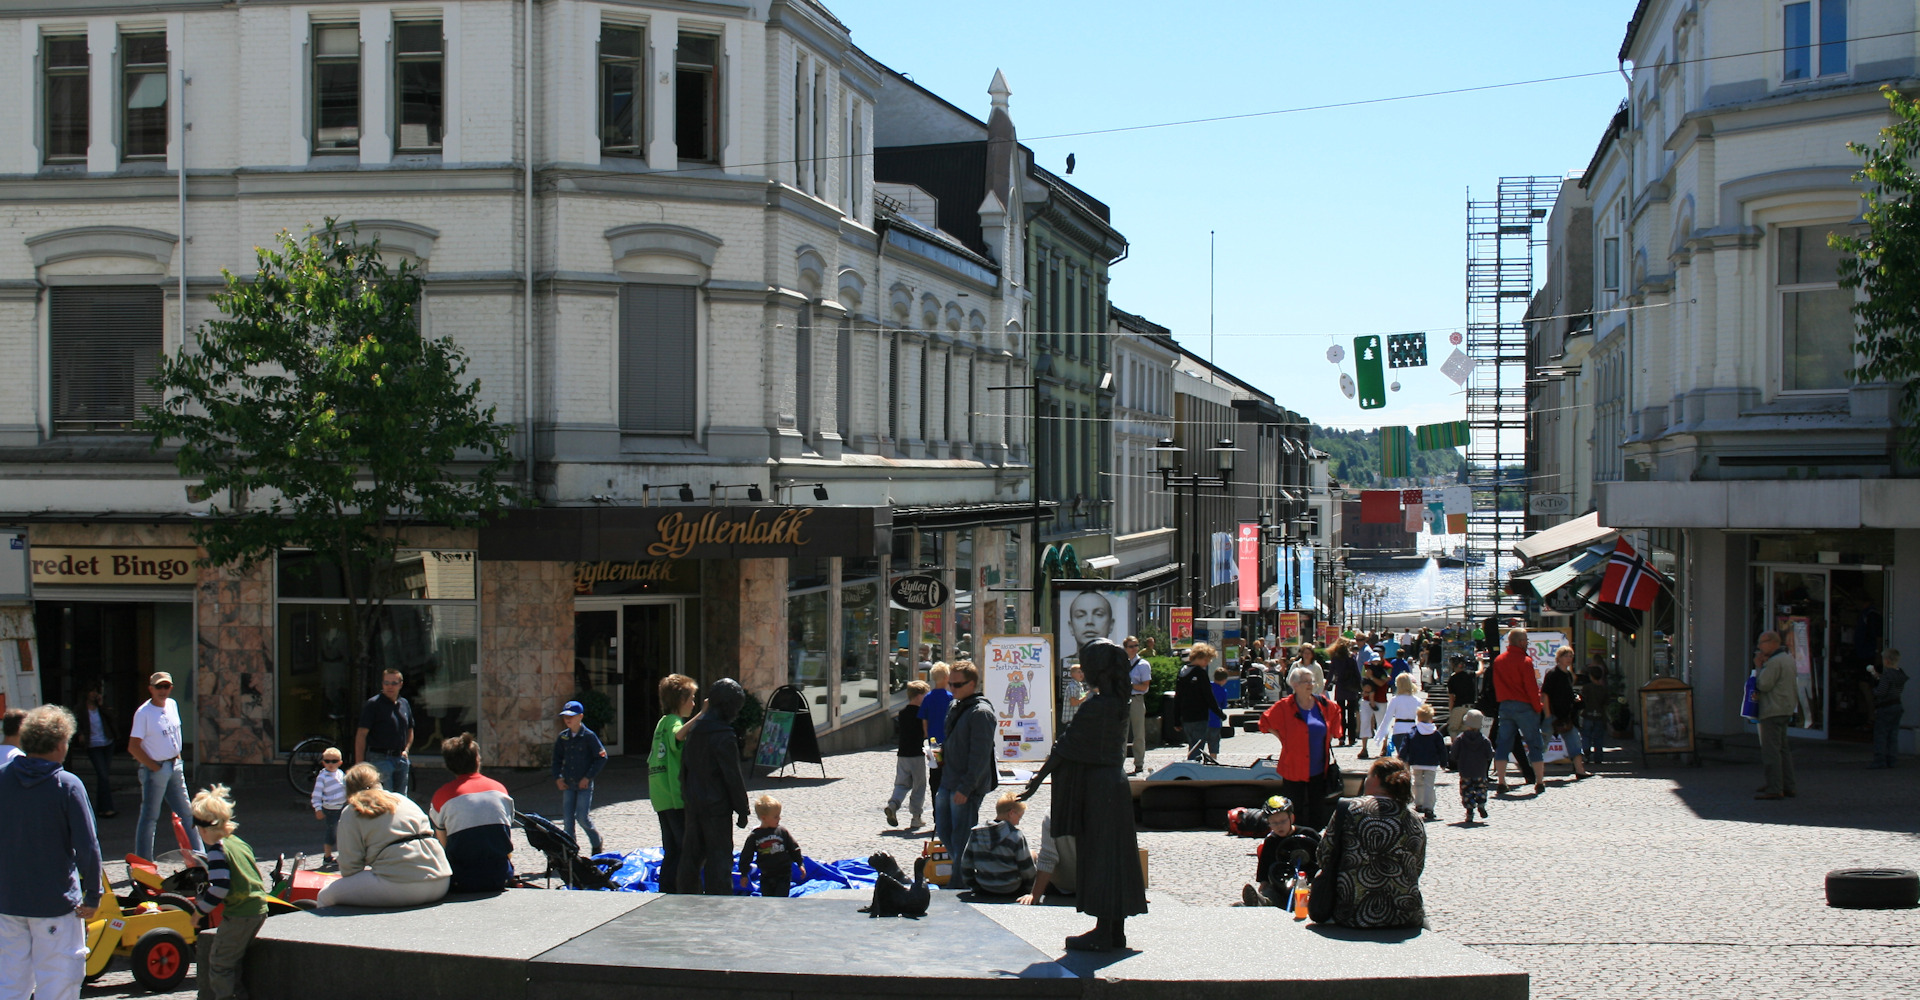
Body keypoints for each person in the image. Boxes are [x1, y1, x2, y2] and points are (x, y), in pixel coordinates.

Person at [1017, 637, 1147, 952]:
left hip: (1099, 788)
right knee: (1114, 856)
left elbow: (1065, 748)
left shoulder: (1099, 705)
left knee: (1100, 857)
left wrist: (1036, 781)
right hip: (1112, 784)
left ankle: (1105, 931)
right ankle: (1113, 929)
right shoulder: (1118, 700)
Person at [0, 706, 101, 1000]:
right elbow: (88, 847)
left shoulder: (3, 779)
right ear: (60, 745)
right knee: (59, 982)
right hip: (54, 902)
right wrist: (93, 895)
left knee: (9, 983)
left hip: (8, 900)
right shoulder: (67, 785)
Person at [316, 763, 452, 907]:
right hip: (441, 880)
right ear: (378, 782)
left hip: (402, 886)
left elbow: (349, 868)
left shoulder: (352, 811)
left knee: (325, 895)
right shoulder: (402, 799)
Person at [1314, 757, 1426, 929]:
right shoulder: (1414, 819)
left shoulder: (1351, 808)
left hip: (1351, 912)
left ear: (1376, 779)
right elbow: (1416, 867)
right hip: (1404, 914)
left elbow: (1324, 855)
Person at [190, 784, 267, 1000]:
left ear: (203, 830)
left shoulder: (216, 850)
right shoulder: (239, 843)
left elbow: (220, 888)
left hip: (240, 914)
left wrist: (199, 911)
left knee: (220, 963)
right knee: (233, 960)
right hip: (258, 908)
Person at [679, 678, 750, 895]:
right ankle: (718, 901)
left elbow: (684, 771)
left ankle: (685, 896)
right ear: (728, 707)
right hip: (716, 807)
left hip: (694, 802)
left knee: (691, 855)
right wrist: (742, 809)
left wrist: (687, 797)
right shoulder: (724, 736)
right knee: (719, 857)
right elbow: (733, 777)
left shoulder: (695, 730)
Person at [1257, 666, 1344, 830]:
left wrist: (1331, 735)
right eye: (1305, 681)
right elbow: (1264, 722)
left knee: (1317, 808)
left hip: (1318, 766)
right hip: (1293, 765)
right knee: (1294, 807)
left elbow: (1337, 713)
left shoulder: (1323, 704)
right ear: (1294, 685)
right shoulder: (1285, 706)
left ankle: (1316, 840)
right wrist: (1282, 738)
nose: (1310, 685)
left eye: (1311, 681)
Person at [129, 671, 204, 860]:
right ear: (151, 689)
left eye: (166, 686)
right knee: (150, 817)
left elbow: (174, 734)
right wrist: (154, 767)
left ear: (170, 688)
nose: (162, 690)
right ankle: (144, 861)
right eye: (158, 687)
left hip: (174, 765)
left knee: (187, 813)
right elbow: (133, 746)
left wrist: (177, 758)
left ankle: (201, 856)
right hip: (157, 769)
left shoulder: (172, 705)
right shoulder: (143, 713)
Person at [936, 661, 997, 887]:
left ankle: (960, 880)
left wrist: (966, 787)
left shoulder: (981, 712)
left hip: (966, 784)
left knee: (962, 835)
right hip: (948, 779)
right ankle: (964, 871)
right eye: (950, 684)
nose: (952, 689)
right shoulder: (955, 705)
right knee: (944, 829)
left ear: (972, 684)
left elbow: (980, 756)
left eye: (957, 684)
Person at [429, 733, 514, 893]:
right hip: (500, 875)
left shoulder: (442, 796)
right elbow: (505, 836)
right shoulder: (500, 790)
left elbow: (443, 843)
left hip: (461, 878)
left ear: (449, 765)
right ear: (477, 760)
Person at [651, 674, 697, 892]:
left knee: (671, 849)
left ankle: (666, 888)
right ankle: (683, 890)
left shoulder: (661, 722)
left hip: (660, 796)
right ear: (681, 701)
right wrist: (703, 716)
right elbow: (678, 735)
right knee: (684, 848)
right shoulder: (673, 722)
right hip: (675, 795)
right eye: (692, 698)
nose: (694, 704)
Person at [1491, 628, 1546, 796]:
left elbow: (1496, 684)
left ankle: (1501, 781)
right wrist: (1538, 707)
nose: (1527, 643)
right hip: (1525, 707)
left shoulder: (1499, 660)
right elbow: (1531, 688)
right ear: (1521, 642)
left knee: (1503, 744)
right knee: (1534, 743)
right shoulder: (1525, 661)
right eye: (1526, 640)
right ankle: (1539, 781)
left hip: (1505, 705)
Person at [1240, 798, 1320, 907]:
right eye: (1274, 823)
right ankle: (1261, 901)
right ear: (1268, 823)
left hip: (1308, 882)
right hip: (1281, 884)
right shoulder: (1271, 842)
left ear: (1291, 818)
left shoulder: (1309, 834)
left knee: (1315, 891)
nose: (1279, 826)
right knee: (1270, 892)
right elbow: (1264, 875)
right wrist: (1264, 887)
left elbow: (1325, 857)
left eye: (1283, 821)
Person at [551, 700, 607, 854]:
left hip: (584, 785)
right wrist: (558, 777)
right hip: (568, 784)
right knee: (568, 821)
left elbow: (601, 757)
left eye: (571, 716)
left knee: (582, 817)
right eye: (565, 717)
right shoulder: (563, 737)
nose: (568, 719)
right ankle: (571, 851)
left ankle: (596, 842)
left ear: (580, 716)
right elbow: (556, 759)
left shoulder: (589, 736)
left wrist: (588, 777)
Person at [960, 791, 1038, 897]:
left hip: (984, 887)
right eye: (1019, 817)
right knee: (1033, 854)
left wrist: (974, 886)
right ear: (1011, 813)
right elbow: (1027, 869)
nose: (1018, 822)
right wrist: (1029, 890)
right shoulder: (1016, 836)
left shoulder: (976, 833)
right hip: (1011, 888)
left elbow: (966, 864)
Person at [1753, 631, 1799, 799]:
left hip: (1772, 709)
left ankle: (1775, 787)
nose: (1759, 646)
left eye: (1762, 642)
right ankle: (1788, 785)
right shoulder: (1787, 658)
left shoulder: (1774, 662)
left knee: (1771, 750)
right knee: (1783, 749)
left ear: (1772, 643)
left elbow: (1763, 685)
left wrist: (1759, 667)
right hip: (1785, 708)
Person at [355, 667, 414, 798]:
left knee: (401, 800)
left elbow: (410, 729)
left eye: (394, 683)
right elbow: (361, 735)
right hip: (379, 758)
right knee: (384, 799)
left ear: (400, 684)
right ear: (382, 684)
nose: (389, 686)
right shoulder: (373, 704)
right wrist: (359, 765)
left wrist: (406, 750)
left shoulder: (404, 703)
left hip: (400, 758)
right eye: (386, 683)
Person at [1541, 647, 1592, 780]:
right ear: (1559, 658)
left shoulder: (1569, 675)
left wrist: (1575, 698)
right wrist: (1547, 714)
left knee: (1575, 741)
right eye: (1566, 656)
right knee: (1542, 744)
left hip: (1567, 716)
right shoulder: (1552, 674)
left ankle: (1580, 771)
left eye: (1571, 656)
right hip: (1553, 715)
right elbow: (1545, 694)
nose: (1569, 658)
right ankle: (1532, 769)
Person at [885, 680, 930, 828]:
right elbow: (925, 733)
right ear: (918, 696)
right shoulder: (921, 714)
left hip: (902, 754)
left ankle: (893, 805)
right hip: (916, 755)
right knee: (919, 785)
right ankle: (916, 817)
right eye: (925, 695)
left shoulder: (902, 713)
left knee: (901, 783)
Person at [738, 794, 801, 898]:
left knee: (780, 899)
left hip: (783, 874)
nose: (779, 818)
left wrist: (800, 863)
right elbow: (746, 855)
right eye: (776, 816)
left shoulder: (782, 831)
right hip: (766, 875)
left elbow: (793, 847)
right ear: (764, 818)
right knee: (768, 900)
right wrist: (744, 874)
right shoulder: (755, 835)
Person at [72, 686, 117, 818]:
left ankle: (101, 808)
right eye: (91, 692)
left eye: (96, 692)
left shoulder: (102, 707)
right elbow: (75, 722)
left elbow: (113, 718)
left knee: (104, 777)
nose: (94, 694)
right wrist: (80, 734)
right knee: (103, 775)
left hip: (107, 743)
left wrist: (102, 706)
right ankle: (107, 808)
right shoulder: (81, 709)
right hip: (93, 745)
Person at [1400, 705, 1447, 821]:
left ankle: (1419, 803)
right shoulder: (1436, 733)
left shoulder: (1413, 731)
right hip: (1431, 763)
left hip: (1416, 762)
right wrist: (1443, 762)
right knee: (1429, 785)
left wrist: (1402, 758)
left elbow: (1405, 745)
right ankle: (1429, 808)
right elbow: (1442, 749)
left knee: (1417, 783)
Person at [1017, 815, 1077, 904]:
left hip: (1061, 887)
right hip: (1095, 890)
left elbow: (1048, 858)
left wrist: (1034, 895)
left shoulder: (1052, 815)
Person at [1173, 644, 1218, 761]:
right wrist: (1218, 712)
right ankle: (1193, 770)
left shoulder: (1182, 672)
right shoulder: (1200, 673)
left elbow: (1178, 697)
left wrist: (1176, 719)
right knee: (1198, 745)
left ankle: (1191, 765)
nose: (1207, 663)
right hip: (1199, 715)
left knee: (1192, 744)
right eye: (1206, 660)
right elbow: (1208, 695)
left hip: (1186, 716)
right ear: (1198, 657)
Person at [1451, 709, 1494, 824]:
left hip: (1465, 770)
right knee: (1481, 788)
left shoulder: (1460, 738)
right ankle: (1481, 803)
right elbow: (1490, 754)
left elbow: (1454, 753)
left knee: (1467, 790)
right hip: (1480, 770)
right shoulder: (1484, 740)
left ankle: (1469, 811)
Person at [1869, 648, 1907, 769]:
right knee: (1893, 735)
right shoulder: (1900, 674)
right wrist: (1877, 676)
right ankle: (1892, 759)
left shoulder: (1887, 675)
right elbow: (1890, 684)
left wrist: (1873, 691)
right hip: (1897, 705)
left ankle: (1879, 760)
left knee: (1881, 734)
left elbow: (1881, 692)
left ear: (1886, 661)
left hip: (1886, 707)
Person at [920, 662, 954, 793]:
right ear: (947, 677)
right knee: (949, 771)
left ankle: (936, 802)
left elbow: (924, 720)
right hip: (949, 742)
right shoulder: (950, 697)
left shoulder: (928, 697)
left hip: (934, 742)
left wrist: (927, 735)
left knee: (935, 771)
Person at [310, 746, 347, 868]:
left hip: (341, 807)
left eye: (334, 761)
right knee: (331, 832)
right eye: (327, 761)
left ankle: (341, 855)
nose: (330, 764)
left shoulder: (340, 774)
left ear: (340, 763)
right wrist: (318, 808)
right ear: (323, 762)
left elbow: (345, 788)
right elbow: (316, 794)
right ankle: (327, 856)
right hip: (330, 809)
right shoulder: (322, 777)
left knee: (342, 832)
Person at [1373, 673, 1425, 758]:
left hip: (1399, 729)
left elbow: (1387, 718)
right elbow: (1422, 718)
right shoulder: (1417, 700)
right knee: (1410, 756)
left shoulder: (1395, 700)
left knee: (1402, 756)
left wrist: (1380, 733)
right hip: (1412, 730)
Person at [1327, 638, 1362, 746]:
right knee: (1351, 713)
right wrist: (1360, 686)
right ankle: (1351, 738)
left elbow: (1331, 673)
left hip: (1341, 687)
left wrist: (1326, 685)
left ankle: (1341, 737)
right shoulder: (1351, 657)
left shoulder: (1335, 658)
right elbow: (1357, 673)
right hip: (1351, 688)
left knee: (1341, 714)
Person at [1125, 637, 1151, 774]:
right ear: (1125, 648)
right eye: (1131, 646)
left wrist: (1129, 686)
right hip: (1122, 700)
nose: (1134, 648)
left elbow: (1145, 687)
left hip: (1136, 699)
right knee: (1121, 734)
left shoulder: (1143, 664)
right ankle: (1118, 763)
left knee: (1138, 733)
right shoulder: (1121, 664)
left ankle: (1139, 763)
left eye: (1136, 645)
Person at [1357, 654, 1391, 760]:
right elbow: (1363, 679)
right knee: (1365, 722)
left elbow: (1382, 682)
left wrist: (1371, 677)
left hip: (1380, 699)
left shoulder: (1386, 667)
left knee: (1382, 723)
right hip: (1367, 699)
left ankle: (1385, 746)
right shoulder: (1366, 666)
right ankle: (1364, 748)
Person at [1578, 664, 1610, 767]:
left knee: (1586, 735)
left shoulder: (1587, 687)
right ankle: (1598, 757)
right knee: (1598, 738)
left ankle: (1586, 752)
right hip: (1599, 716)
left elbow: (1582, 699)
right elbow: (1606, 702)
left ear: (1591, 676)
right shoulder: (1603, 689)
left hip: (1587, 714)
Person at [1445, 657, 1478, 739]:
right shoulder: (1470, 675)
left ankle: (1455, 748)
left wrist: (1451, 711)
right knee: (1466, 730)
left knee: (1453, 729)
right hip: (1470, 708)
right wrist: (1481, 662)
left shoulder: (1452, 679)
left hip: (1458, 707)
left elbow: (1451, 698)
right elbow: (1480, 671)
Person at [1207, 666, 1231, 758]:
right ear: (1224, 680)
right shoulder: (1223, 691)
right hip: (1215, 721)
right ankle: (1213, 760)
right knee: (1214, 744)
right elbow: (1223, 705)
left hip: (1204, 719)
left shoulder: (1208, 686)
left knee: (1199, 743)